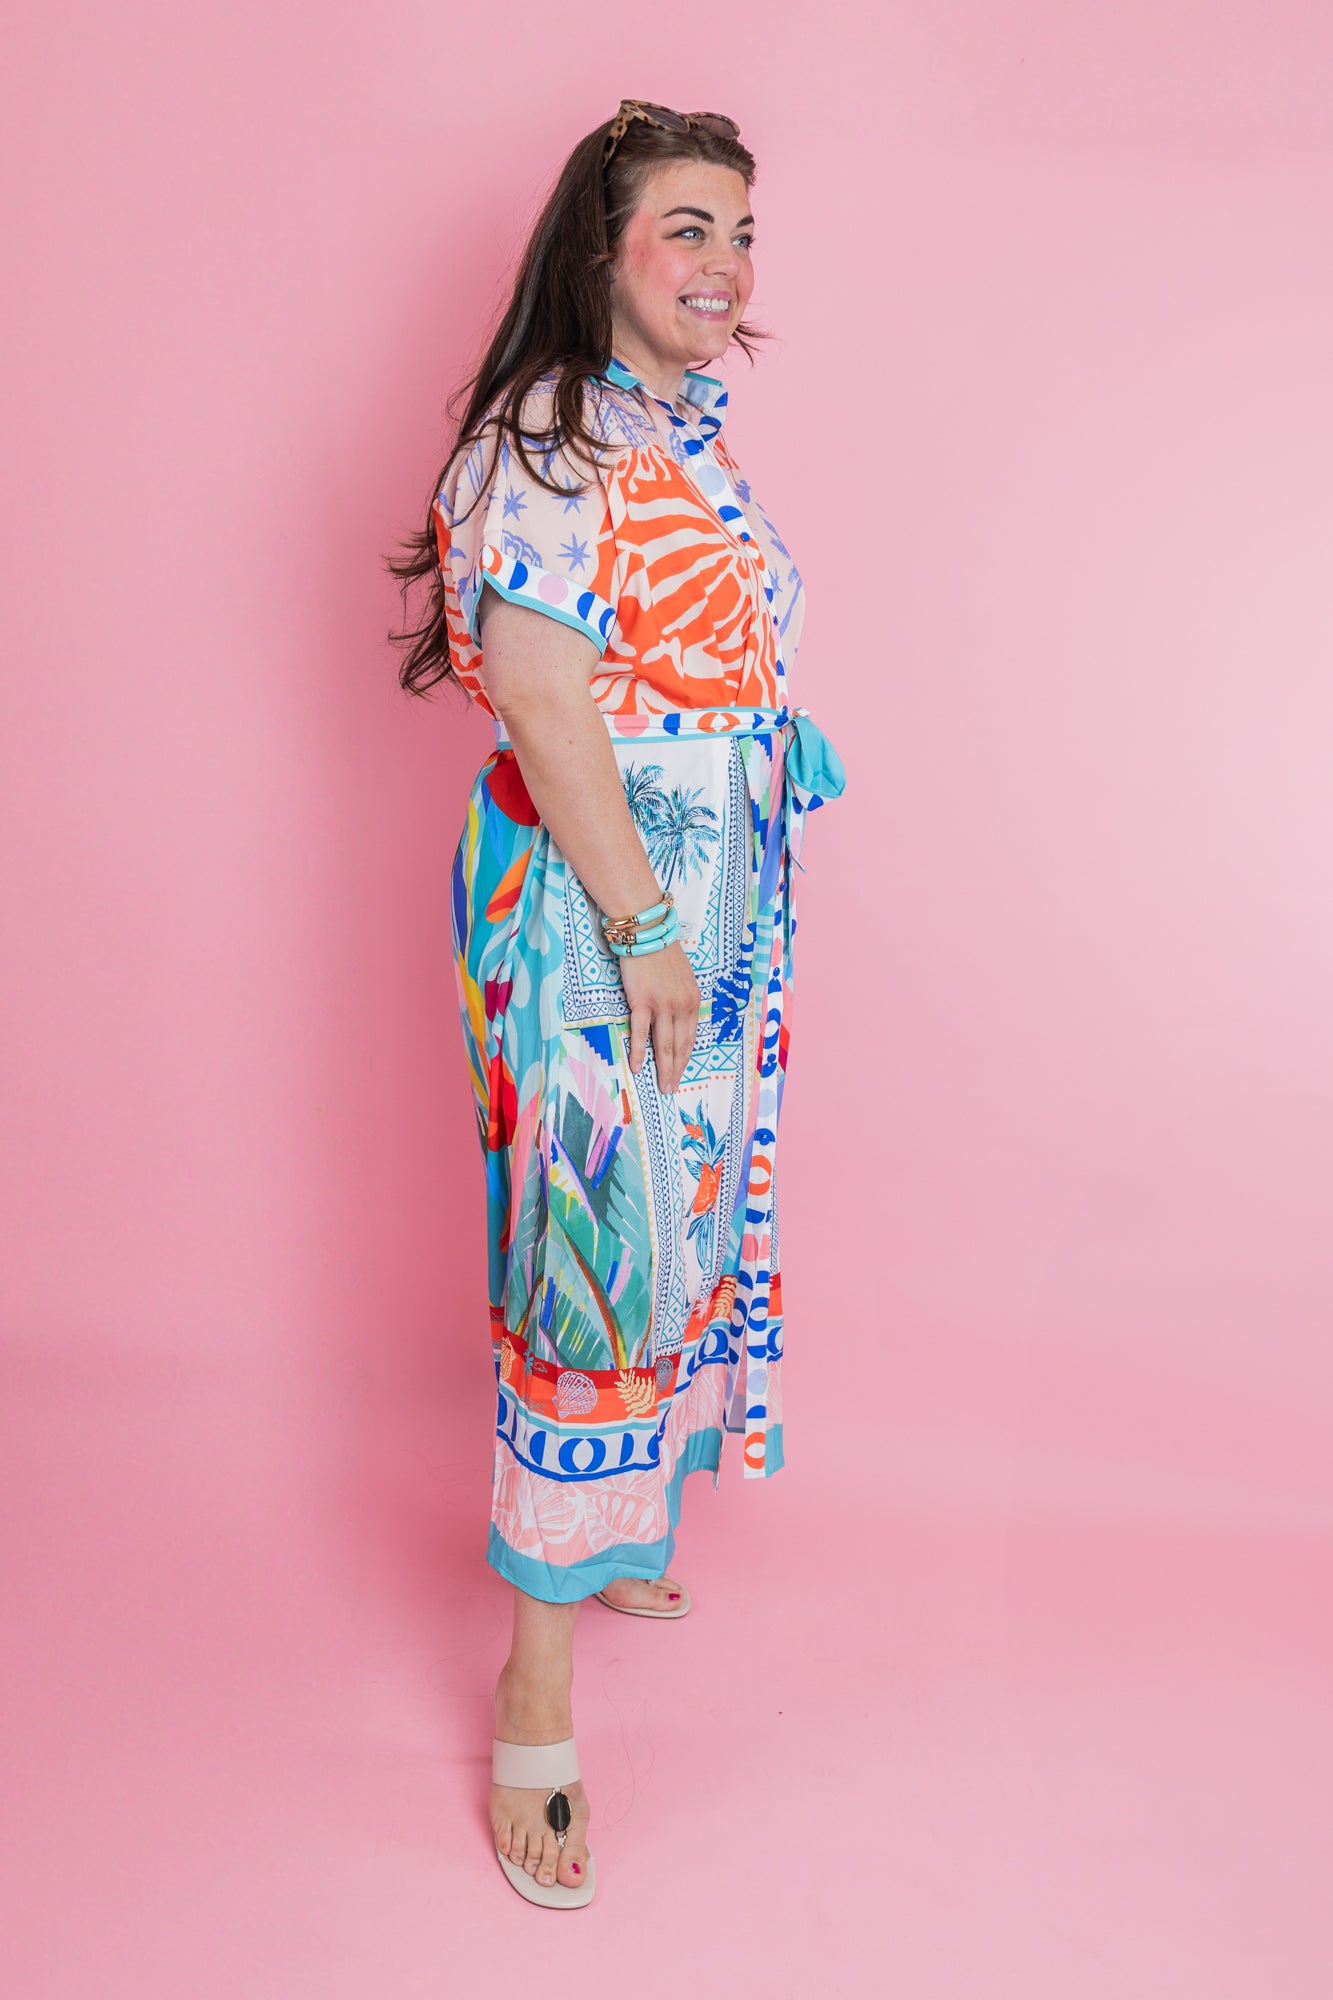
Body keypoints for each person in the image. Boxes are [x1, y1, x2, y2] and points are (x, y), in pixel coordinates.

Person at [388, 98, 845, 1909]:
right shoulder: (550, 437)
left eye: (741, 231)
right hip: (609, 909)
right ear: (600, 251)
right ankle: (536, 1691)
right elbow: (542, 695)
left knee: (670, 1231)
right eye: (686, 228)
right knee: (587, 1254)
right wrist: (648, 923)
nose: (724, 265)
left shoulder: (671, 432)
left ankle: (616, 1520)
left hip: (699, 901)